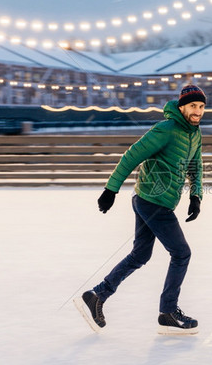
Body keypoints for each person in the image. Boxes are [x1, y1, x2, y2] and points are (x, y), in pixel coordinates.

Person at [81, 84, 205, 335]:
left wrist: (196, 196)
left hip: (153, 201)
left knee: (140, 256)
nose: (198, 111)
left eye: (202, 106)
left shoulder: (195, 133)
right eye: (193, 106)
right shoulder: (165, 129)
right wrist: (111, 189)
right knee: (181, 253)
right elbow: (132, 155)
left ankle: (97, 295)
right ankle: (168, 311)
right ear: (182, 107)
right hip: (153, 201)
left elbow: (196, 165)